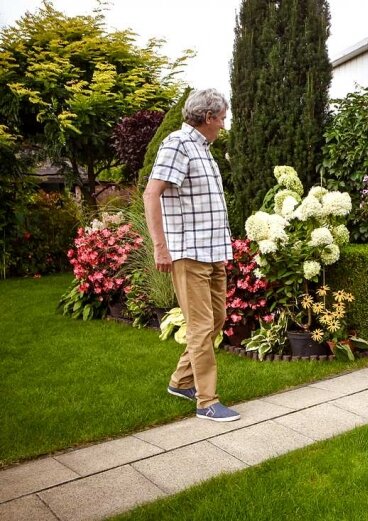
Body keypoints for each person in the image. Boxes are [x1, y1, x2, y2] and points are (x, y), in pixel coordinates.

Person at [143, 88, 240, 422]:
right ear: (209, 117)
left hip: (212, 252)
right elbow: (151, 193)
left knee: (216, 320)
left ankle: (181, 381)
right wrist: (160, 246)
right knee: (200, 327)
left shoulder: (204, 149)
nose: (224, 125)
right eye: (223, 119)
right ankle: (207, 401)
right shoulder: (178, 144)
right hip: (189, 254)